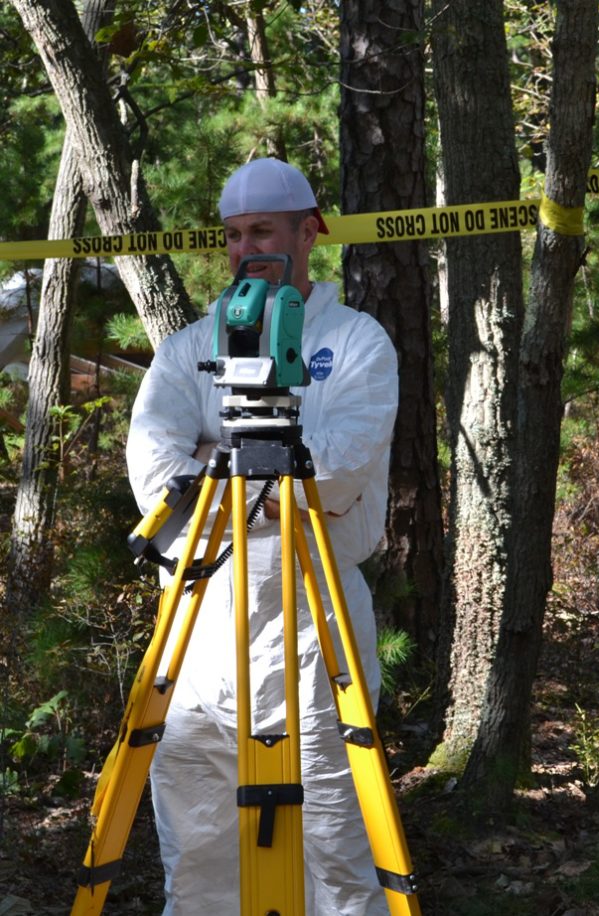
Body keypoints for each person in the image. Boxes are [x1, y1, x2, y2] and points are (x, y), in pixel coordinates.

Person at [125, 157, 398, 915]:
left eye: (264, 231)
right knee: (201, 845)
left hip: (316, 628)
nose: (248, 249)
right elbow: (156, 477)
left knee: (336, 846)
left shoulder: (356, 344)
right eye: (236, 235)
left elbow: (337, 474)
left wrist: (218, 471)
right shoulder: (187, 351)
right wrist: (270, 482)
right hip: (201, 623)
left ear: (308, 232)